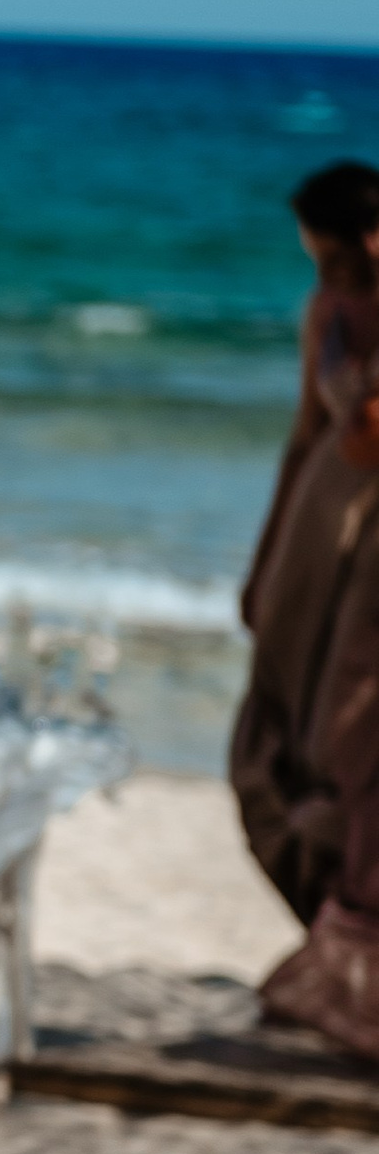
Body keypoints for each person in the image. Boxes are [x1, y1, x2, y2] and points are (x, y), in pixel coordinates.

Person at [236, 293, 379, 1046]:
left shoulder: (345, 319)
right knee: (322, 745)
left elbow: (354, 430)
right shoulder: (343, 310)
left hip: (347, 529)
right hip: (336, 533)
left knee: (342, 749)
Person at [240, 159, 379, 633]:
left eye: (334, 259)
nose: (325, 276)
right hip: (322, 512)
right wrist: (265, 559)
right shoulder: (327, 310)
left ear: (372, 238)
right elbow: (305, 436)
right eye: (315, 260)